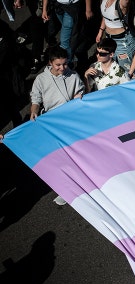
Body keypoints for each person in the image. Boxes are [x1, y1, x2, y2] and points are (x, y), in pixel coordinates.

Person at [29, 46, 84, 205]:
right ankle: (65, 189)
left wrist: (78, 97)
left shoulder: (73, 75)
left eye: (65, 64)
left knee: (74, 156)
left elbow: (80, 94)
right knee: (59, 159)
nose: (62, 68)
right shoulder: (41, 79)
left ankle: (76, 186)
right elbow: (36, 99)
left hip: (71, 122)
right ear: (50, 63)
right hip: (51, 123)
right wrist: (34, 111)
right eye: (58, 65)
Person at [95, 0, 135, 77]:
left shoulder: (122, 2)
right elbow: (105, 16)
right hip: (109, 38)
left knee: (128, 71)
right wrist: (100, 31)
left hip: (123, 41)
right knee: (111, 67)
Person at [42, 0, 93, 66]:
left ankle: (66, 63)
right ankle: (73, 59)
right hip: (58, 6)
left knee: (64, 41)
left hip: (72, 7)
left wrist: (88, 9)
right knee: (70, 35)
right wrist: (44, 9)